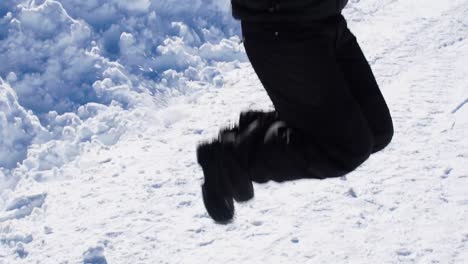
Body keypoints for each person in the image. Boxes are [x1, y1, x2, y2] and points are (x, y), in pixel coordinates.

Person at [196, 0, 394, 223]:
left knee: (376, 128)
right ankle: (231, 158)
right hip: (281, 26)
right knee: (347, 147)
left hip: (324, 17)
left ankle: (255, 134)